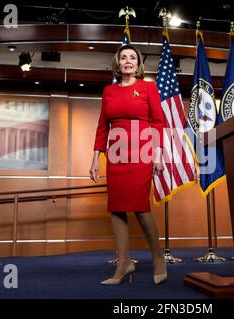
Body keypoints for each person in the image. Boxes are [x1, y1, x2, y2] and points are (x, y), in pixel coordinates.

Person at [89, 44, 167, 285]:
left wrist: (158, 154)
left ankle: (158, 258)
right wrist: (95, 158)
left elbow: (158, 123)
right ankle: (124, 263)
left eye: (132, 57)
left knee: (140, 207)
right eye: (124, 57)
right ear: (118, 63)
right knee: (117, 208)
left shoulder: (148, 88)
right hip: (116, 155)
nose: (128, 61)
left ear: (138, 64)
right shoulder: (109, 91)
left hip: (142, 152)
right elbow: (102, 126)